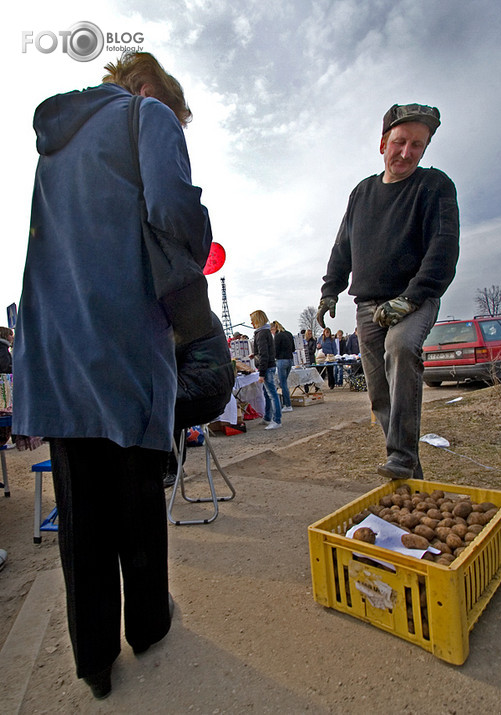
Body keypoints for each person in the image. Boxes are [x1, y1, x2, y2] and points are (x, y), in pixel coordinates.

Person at [12, 52, 213, 699]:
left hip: (56, 351)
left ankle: (94, 659)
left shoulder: (56, 145)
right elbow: (173, 206)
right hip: (125, 339)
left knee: (81, 511)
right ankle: (149, 625)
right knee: (135, 498)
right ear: (152, 88)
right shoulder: (147, 113)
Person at [317, 103, 459, 479]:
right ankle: (409, 472)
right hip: (368, 306)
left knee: (401, 348)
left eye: (417, 145)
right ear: (383, 143)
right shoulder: (362, 193)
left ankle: (401, 455)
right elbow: (343, 245)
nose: (407, 152)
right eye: (400, 142)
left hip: (415, 299)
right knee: (379, 393)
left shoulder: (434, 186)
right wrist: (330, 289)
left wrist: (410, 298)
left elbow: (444, 248)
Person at [250, 310, 282, 430]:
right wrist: (255, 354)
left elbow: (264, 354)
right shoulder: (265, 332)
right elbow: (265, 352)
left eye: (253, 321)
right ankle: (268, 417)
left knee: (272, 394)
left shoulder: (261, 333)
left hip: (267, 367)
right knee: (268, 394)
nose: (252, 323)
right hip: (268, 365)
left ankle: (277, 420)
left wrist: (262, 373)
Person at [271, 320, 295, 412]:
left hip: (281, 360)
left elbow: (275, 350)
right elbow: (293, 348)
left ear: (274, 329)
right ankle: (286, 402)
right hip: (290, 359)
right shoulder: (288, 334)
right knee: (284, 382)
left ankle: (287, 404)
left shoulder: (277, 336)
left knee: (283, 383)